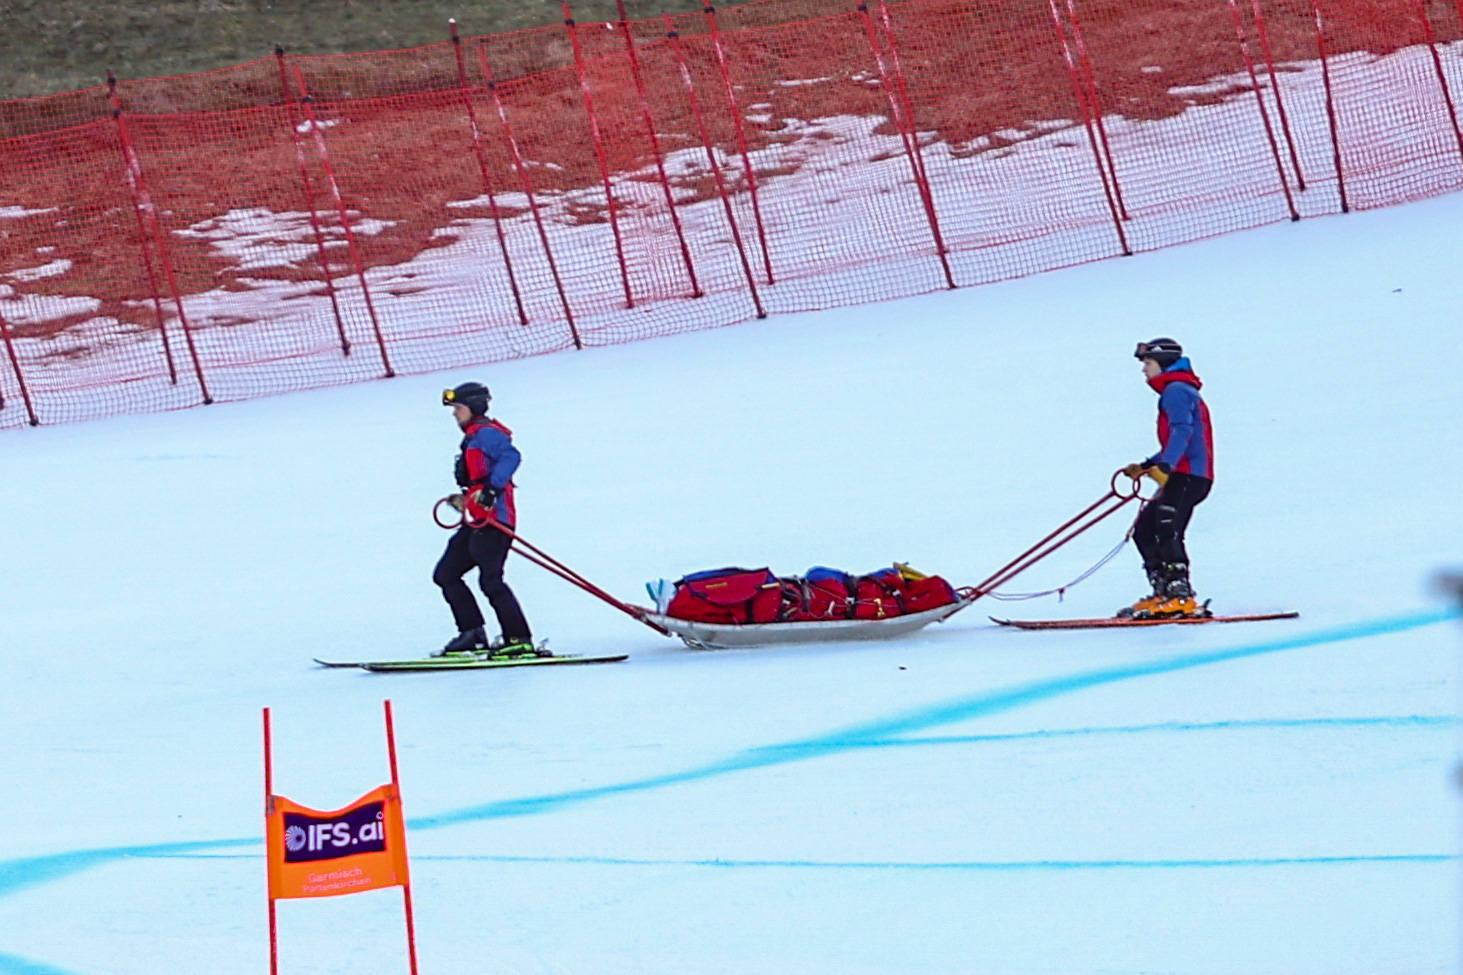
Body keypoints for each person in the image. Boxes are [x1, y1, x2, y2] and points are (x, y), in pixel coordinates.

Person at [433, 381, 537, 657]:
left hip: (496, 523)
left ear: (474, 408)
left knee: (491, 581)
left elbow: (511, 457)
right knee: (446, 574)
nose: (455, 414)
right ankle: (472, 633)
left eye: (458, 408)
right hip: (476, 522)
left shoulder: (487, 434)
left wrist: (491, 490)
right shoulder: (473, 437)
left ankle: (519, 638)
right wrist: (465, 500)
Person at [1120, 338, 1214, 618]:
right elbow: (1178, 438)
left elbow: (1183, 433)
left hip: (1189, 476)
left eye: (1148, 364)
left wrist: (1166, 466)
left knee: (1166, 527)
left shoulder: (1175, 391)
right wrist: (1147, 466)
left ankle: (1180, 595)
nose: (1144, 370)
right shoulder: (1177, 390)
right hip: (1182, 474)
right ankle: (1163, 591)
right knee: (1145, 529)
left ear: (1163, 364)